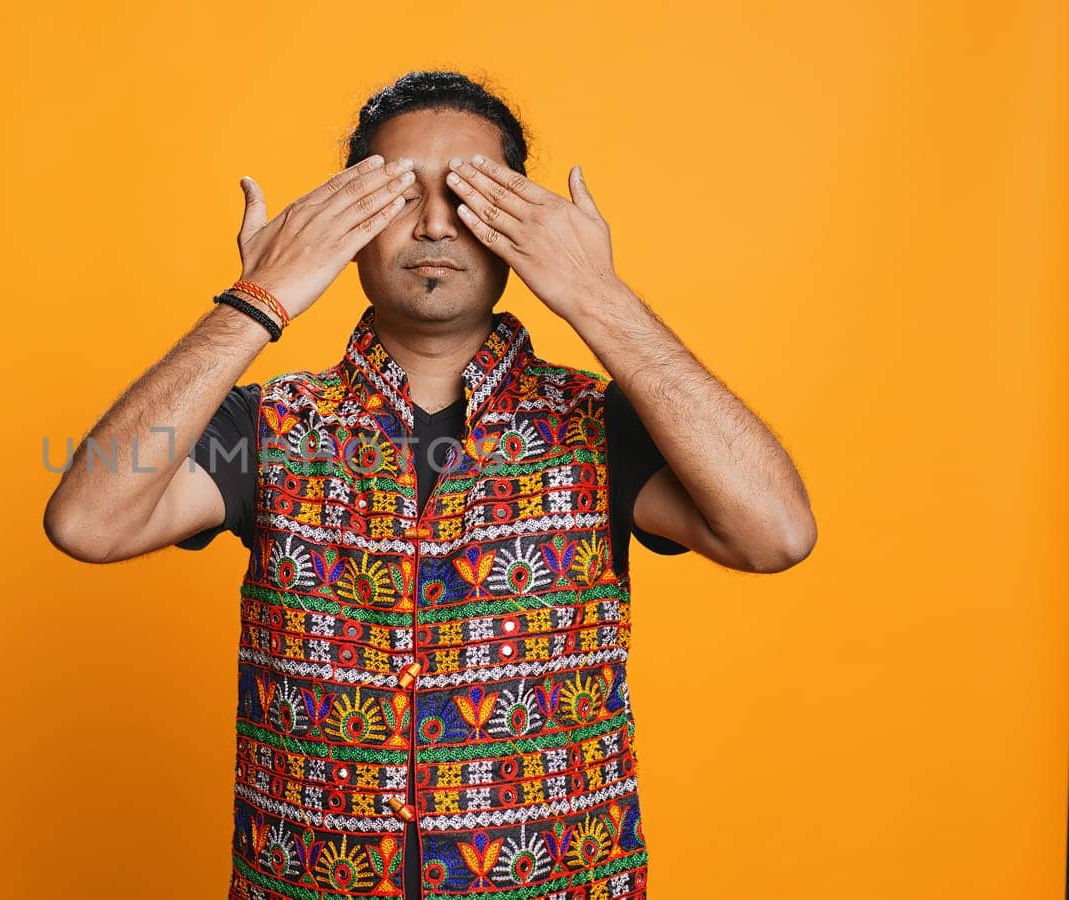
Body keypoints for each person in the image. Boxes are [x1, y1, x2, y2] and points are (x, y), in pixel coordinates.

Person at [44, 70, 816, 900]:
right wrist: (256, 300)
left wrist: (601, 297)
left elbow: (776, 532)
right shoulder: (269, 428)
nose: (437, 224)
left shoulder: (601, 425)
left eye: (472, 196)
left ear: (523, 225)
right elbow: (88, 521)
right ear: (345, 223)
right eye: (401, 195)